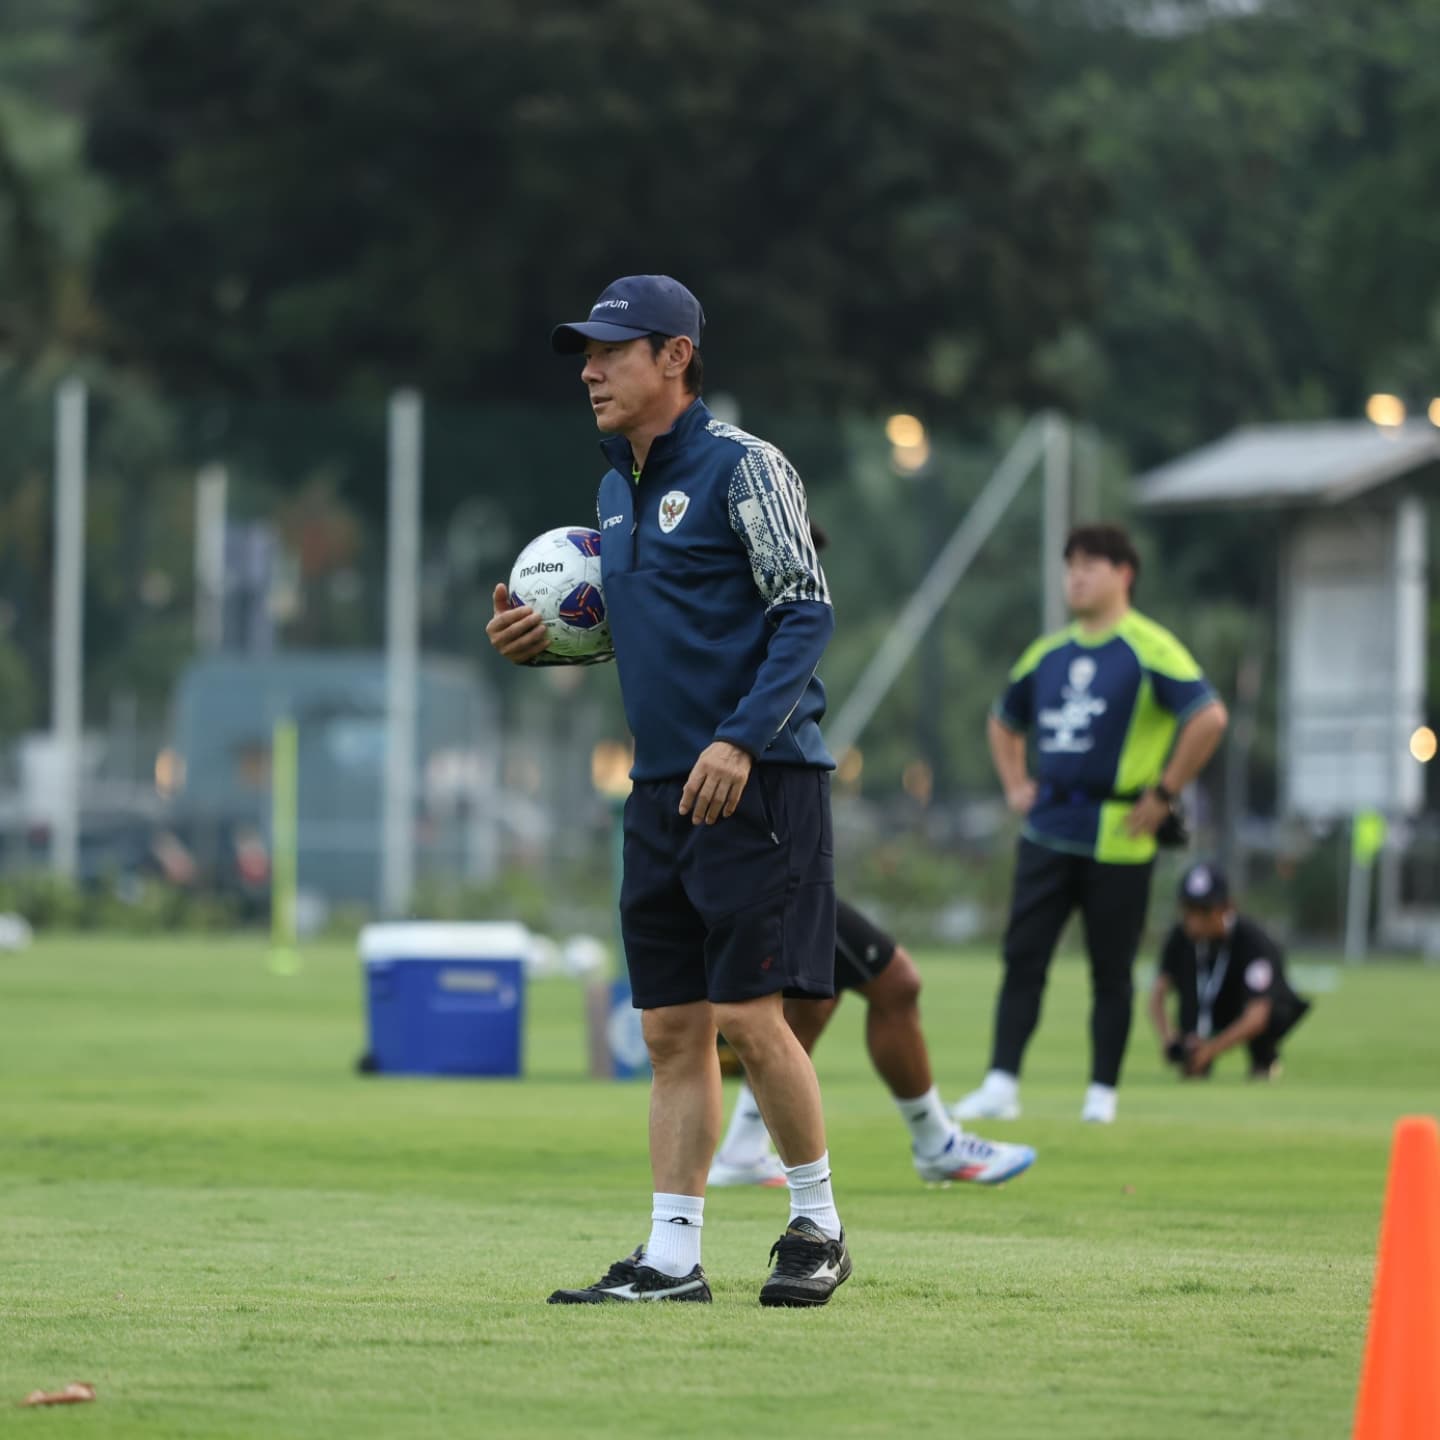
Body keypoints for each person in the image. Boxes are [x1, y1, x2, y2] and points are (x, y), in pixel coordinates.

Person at [488, 274, 851, 1307]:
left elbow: (804, 614)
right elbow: (653, 639)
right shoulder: (614, 490)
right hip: (657, 791)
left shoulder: (746, 467)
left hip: (760, 779)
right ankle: (672, 1257)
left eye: (612, 350)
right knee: (670, 1029)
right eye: (586, 355)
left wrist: (740, 741)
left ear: (676, 357)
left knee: (750, 1014)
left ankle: (816, 1228)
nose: (591, 371)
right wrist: (544, 648)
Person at [954, 523, 1229, 1125]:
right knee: (1023, 957)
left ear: (1123, 574)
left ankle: (1101, 1095)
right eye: (1070, 564)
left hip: (1120, 834)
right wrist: (1014, 783)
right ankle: (1001, 1084)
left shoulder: (1149, 646)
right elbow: (1003, 720)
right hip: (1048, 824)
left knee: (1111, 969)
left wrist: (1164, 792)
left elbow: (1208, 717)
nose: (1076, 575)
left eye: (1090, 565)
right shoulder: (1047, 653)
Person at [709, 897, 1037, 1188]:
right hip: (783, 876)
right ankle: (937, 1144)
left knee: (817, 998)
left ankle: (742, 1151)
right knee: (896, 982)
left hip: (780, 867)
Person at [1149, 861, 1312, 1081]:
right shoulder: (1180, 937)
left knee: (1274, 1010)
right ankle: (1196, 1056)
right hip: (1207, 1009)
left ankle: (1264, 1061)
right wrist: (1170, 1039)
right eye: (1189, 909)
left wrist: (1211, 1049)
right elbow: (1158, 994)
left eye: (1204, 911)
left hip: (1247, 1008)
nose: (1195, 920)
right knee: (1191, 989)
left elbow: (1258, 1015)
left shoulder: (1254, 941)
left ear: (1227, 907)